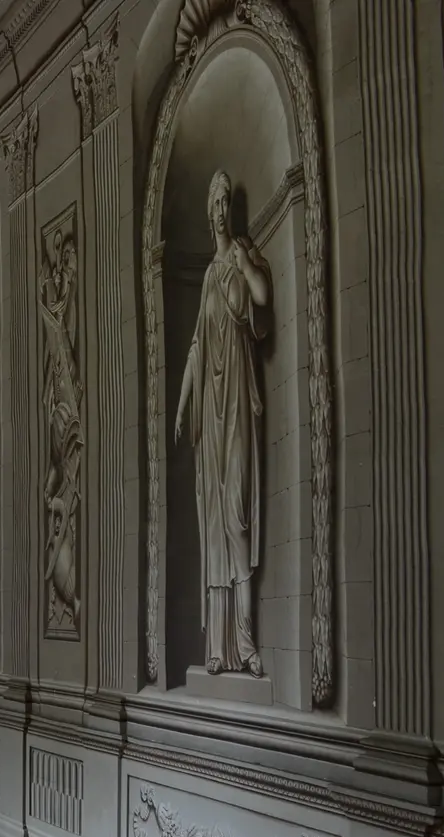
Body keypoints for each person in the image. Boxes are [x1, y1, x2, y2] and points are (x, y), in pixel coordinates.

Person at [174, 170, 272, 676]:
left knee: (237, 517)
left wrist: (244, 258)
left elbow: (261, 298)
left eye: (224, 198)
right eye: (212, 198)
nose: (218, 206)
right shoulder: (209, 276)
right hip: (209, 415)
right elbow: (194, 346)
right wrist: (182, 403)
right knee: (214, 523)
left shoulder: (240, 257)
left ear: (230, 208)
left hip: (237, 404)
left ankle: (247, 645)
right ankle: (217, 648)